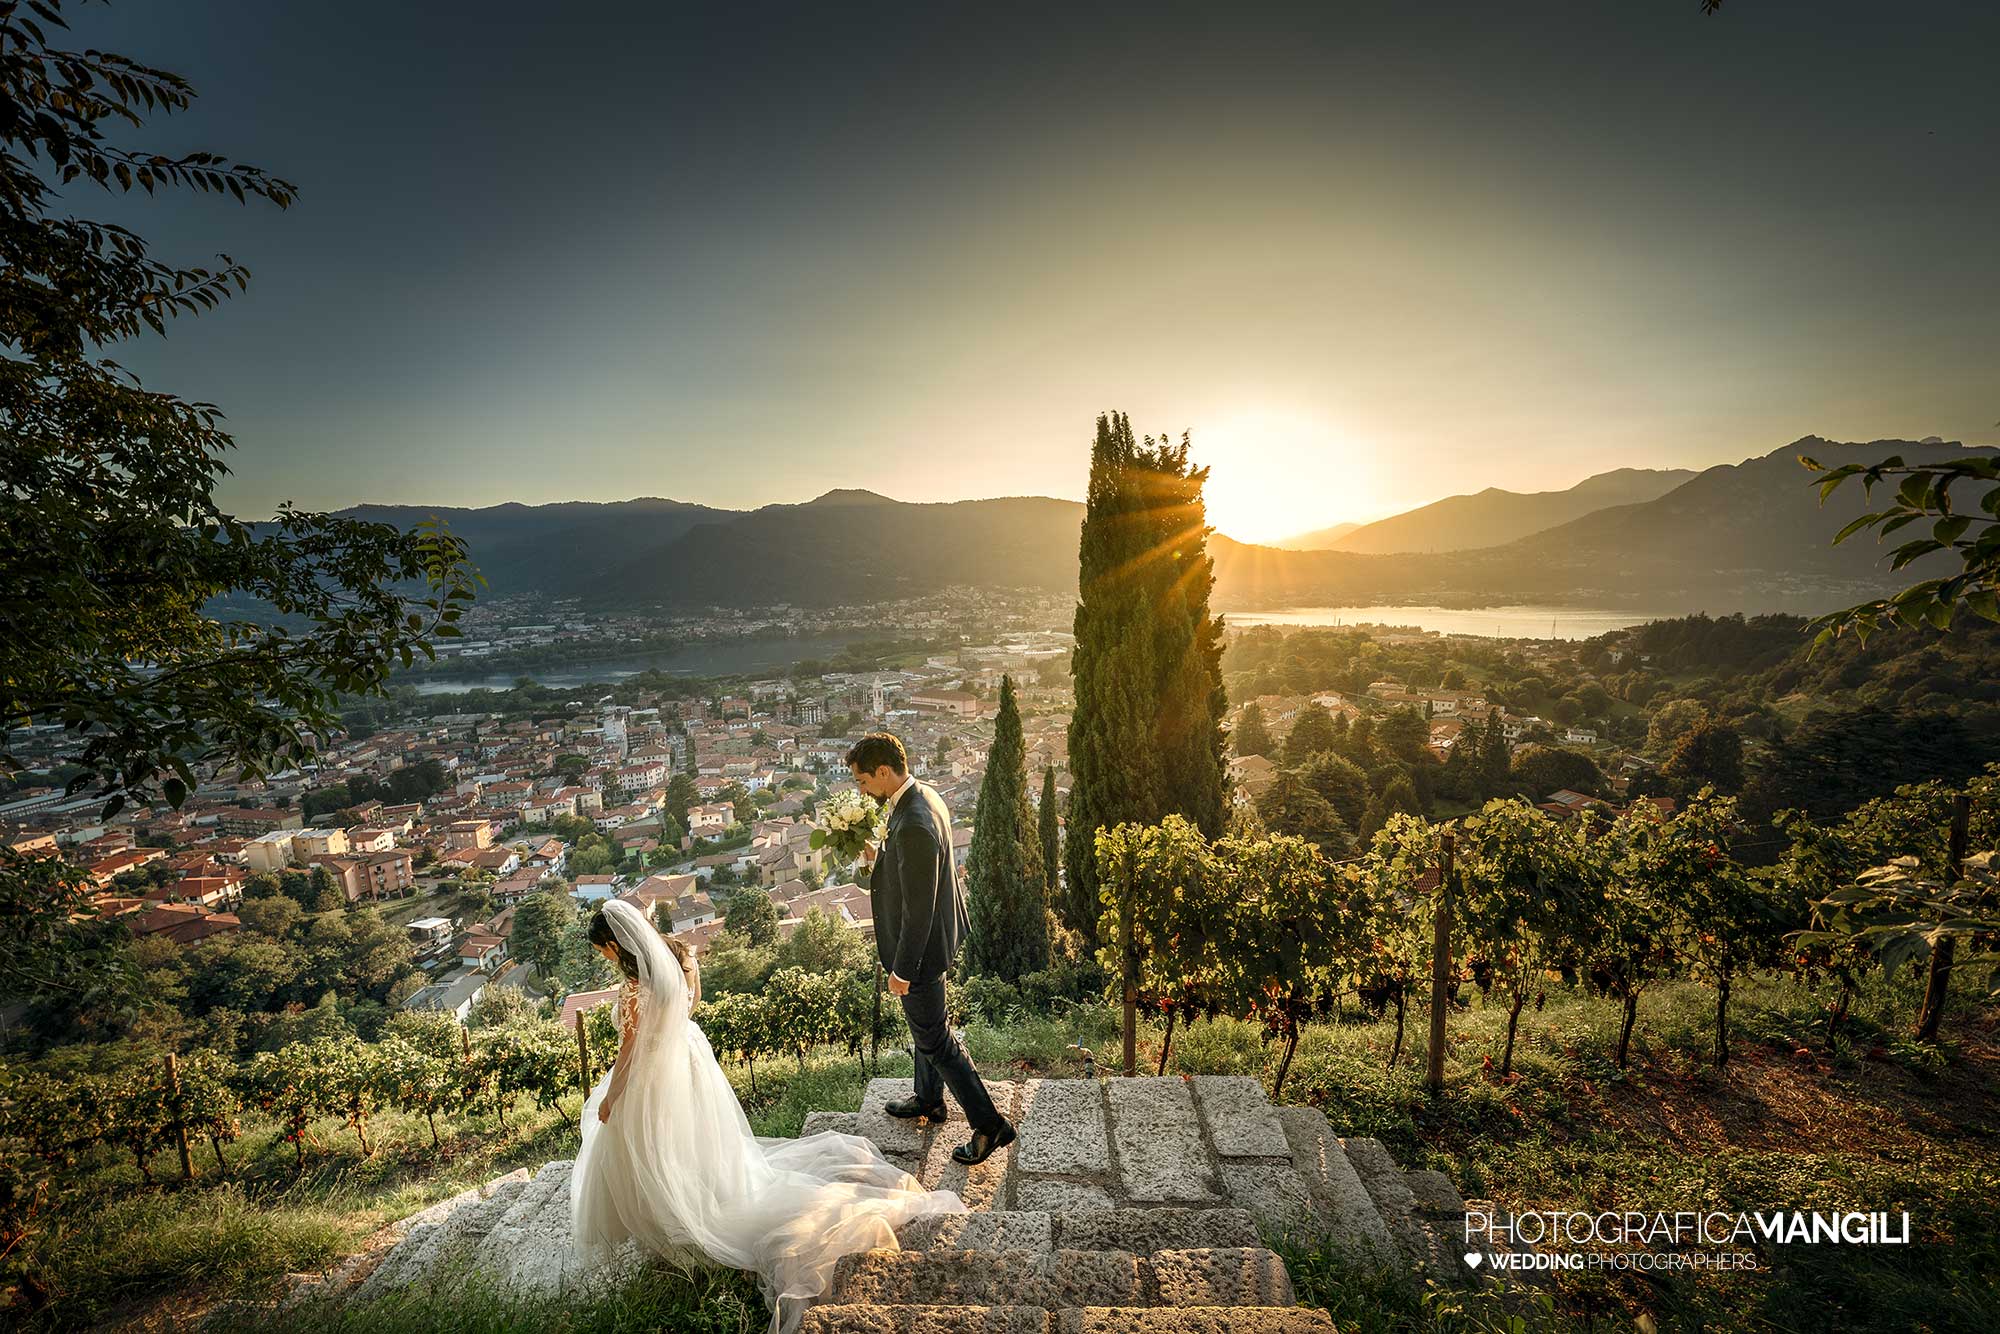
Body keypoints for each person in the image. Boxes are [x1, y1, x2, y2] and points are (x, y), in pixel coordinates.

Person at [569, 899, 966, 1334]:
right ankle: (690, 1202)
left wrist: (612, 1097)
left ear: (614, 944)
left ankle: (673, 1220)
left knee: (650, 1145)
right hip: (687, 1060)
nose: (603, 958)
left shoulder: (633, 988)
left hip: (652, 1074)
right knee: (692, 1140)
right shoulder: (678, 958)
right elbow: (692, 1004)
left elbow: (628, 1053)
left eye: (602, 951)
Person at [849, 731, 1018, 1166]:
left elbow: (918, 909)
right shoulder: (921, 797)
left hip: (920, 952)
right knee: (927, 1027)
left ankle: (989, 1124)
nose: (861, 790)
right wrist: (877, 855)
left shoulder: (914, 823)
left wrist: (902, 970)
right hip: (935, 939)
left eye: (863, 781)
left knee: (936, 1039)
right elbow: (915, 875)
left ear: (884, 772)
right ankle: (929, 1099)